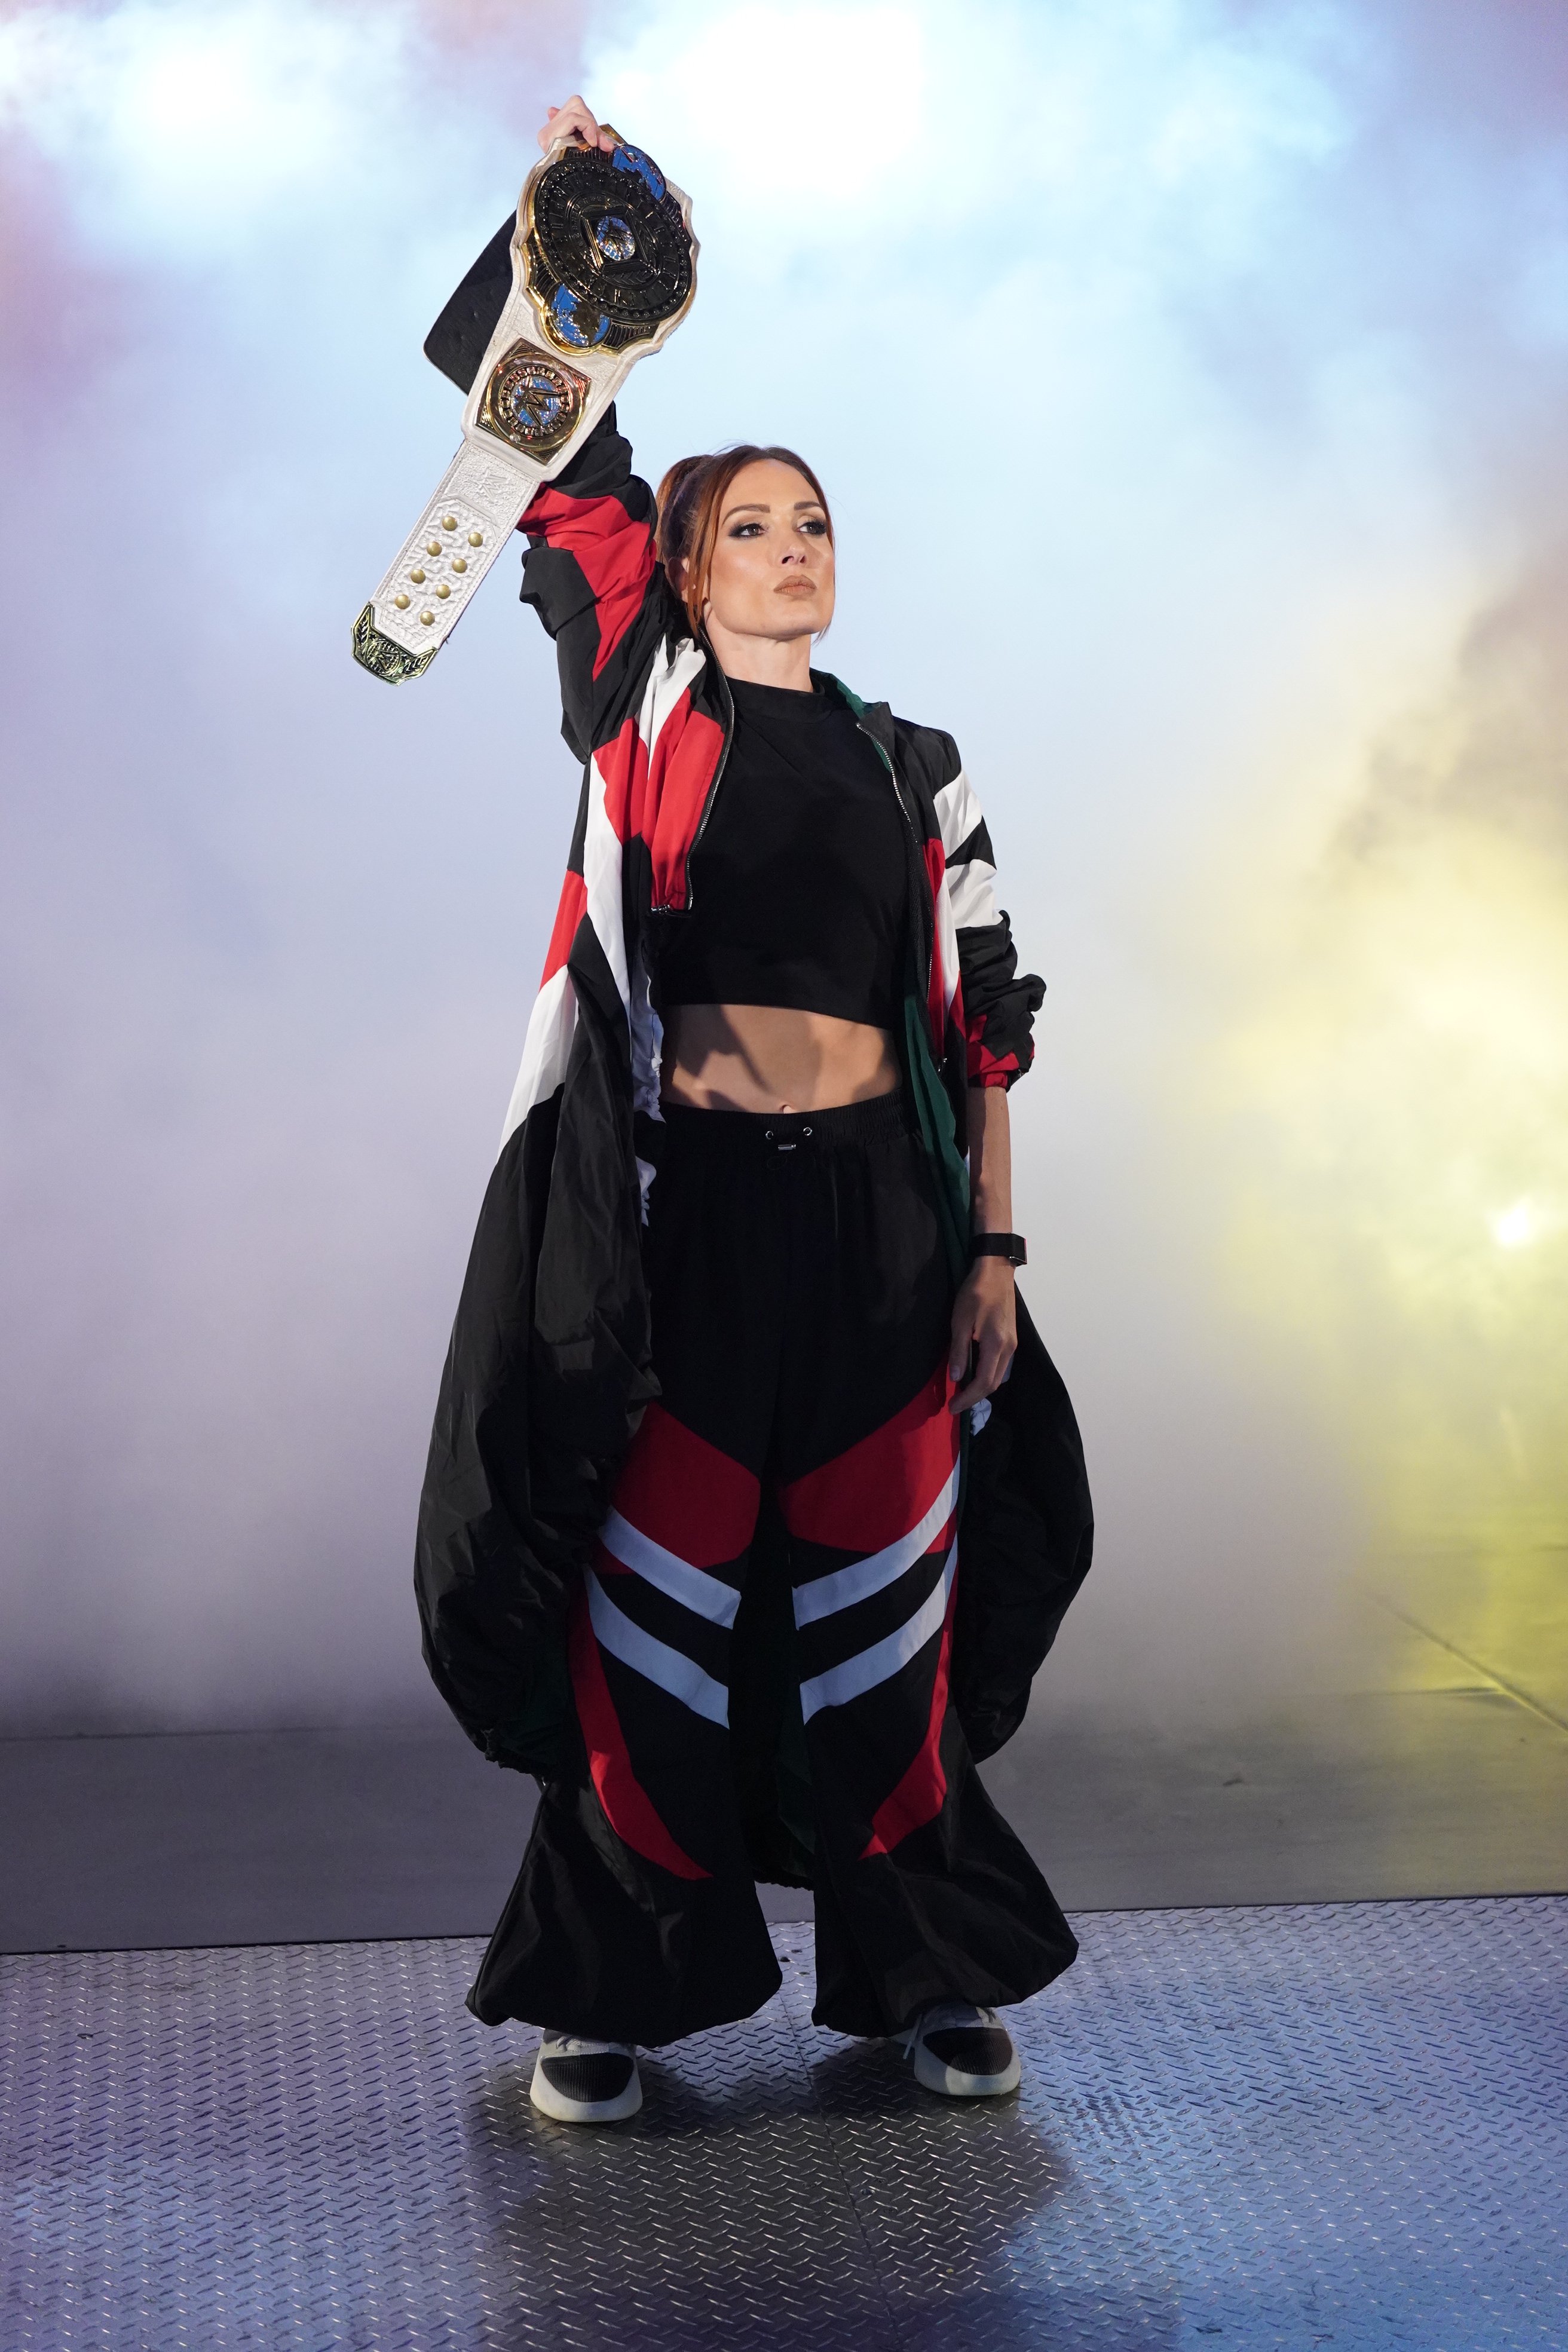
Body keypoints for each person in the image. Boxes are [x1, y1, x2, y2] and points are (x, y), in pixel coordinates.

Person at [415, 96, 1094, 2125]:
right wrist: (578, 220)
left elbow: (985, 1036)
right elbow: (550, 441)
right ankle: (612, 1991)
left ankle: (922, 1976)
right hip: (687, 1217)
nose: (795, 550)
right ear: (690, 563)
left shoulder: (920, 765)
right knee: (663, 1613)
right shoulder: (643, 701)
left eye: (817, 524)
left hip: (885, 1229)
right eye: (755, 526)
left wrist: (993, 1245)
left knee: (891, 1608)